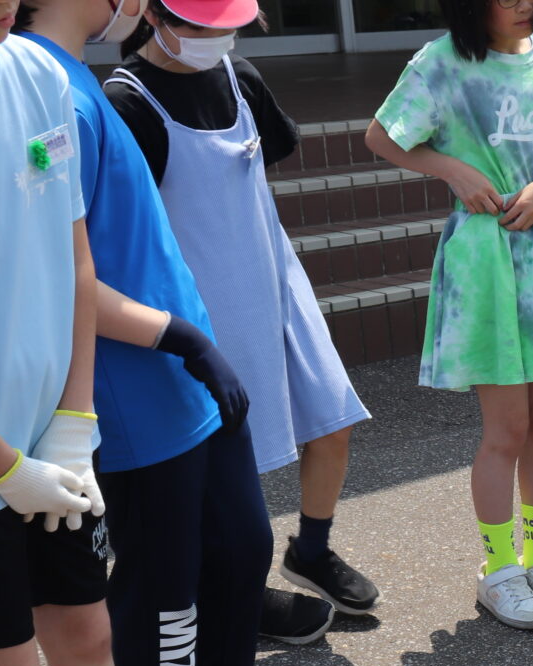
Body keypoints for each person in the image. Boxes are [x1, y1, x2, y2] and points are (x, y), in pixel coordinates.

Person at [17, 0, 298, 666]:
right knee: (165, 591)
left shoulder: (74, 80)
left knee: (242, 551)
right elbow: (59, 273)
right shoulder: (51, 95)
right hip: (135, 390)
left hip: (184, 379)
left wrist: (195, 345)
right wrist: (178, 335)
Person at [0, 18, 211, 666]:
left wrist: (74, 423)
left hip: (46, 440)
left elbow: (74, 256)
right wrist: (7, 469)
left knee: (83, 632)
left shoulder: (35, 74)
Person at [104, 0, 380, 631]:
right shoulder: (127, 101)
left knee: (331, 416)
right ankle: (237, 594)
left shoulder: (240, 76)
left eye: (226, 22)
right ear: (157, 15)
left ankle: (311, 548)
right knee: (229, 462)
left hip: (272, 272)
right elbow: (129, 228)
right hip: (199, 298)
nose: (216, 36)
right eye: (203, 23)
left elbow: (268, 159)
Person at [367, 0, 533, 630]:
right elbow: (381, 134)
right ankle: (500, 571)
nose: (527, 4)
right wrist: (451, 168)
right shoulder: (443, 61)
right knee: (507, 429)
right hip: (487, 257)